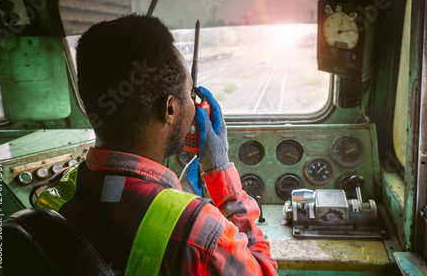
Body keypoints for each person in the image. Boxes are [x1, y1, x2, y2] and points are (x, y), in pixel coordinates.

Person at [36, 15, 278, 275]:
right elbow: (264, 271)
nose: (193, 107)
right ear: (170, 108)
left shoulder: (55, 193)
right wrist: (223, 179)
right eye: (189, 95)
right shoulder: (199, 231)